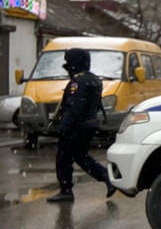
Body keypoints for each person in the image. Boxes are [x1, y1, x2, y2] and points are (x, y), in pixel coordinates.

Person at [46, 48, 118, 203]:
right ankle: (106, 176)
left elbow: (75, 107)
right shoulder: (94, 79)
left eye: (68, 63)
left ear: (75, 63)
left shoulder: (78, 82)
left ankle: (66, 190)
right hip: (89, 125)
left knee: (64, 158)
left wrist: (64, 126)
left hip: (76, 127)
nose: (67, 68)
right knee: (81, 157)